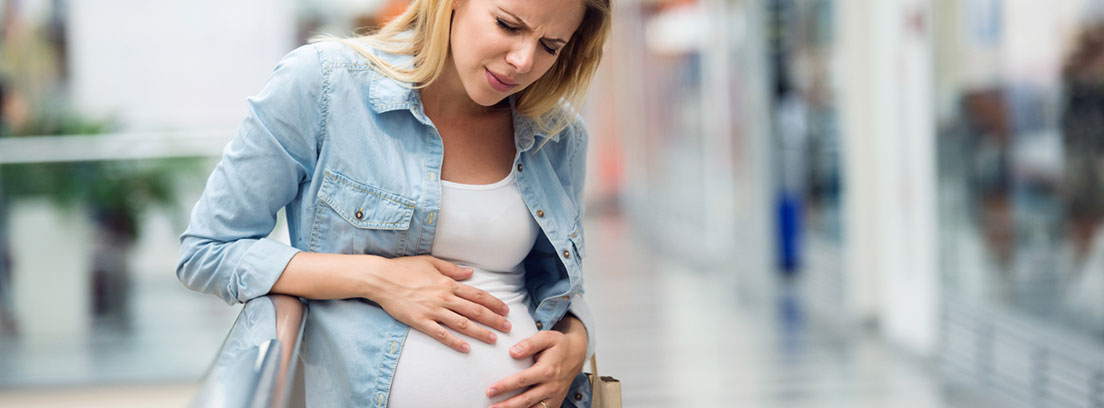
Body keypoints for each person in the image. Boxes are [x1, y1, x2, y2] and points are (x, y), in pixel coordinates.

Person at [176, 0, 610, 406]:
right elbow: (207, 251)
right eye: (507, 25)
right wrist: (377, 278)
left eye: (550, 47)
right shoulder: (323, 85)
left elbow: (562, 288)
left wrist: (576, 340)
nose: (523, 61)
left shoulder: (558, 135)